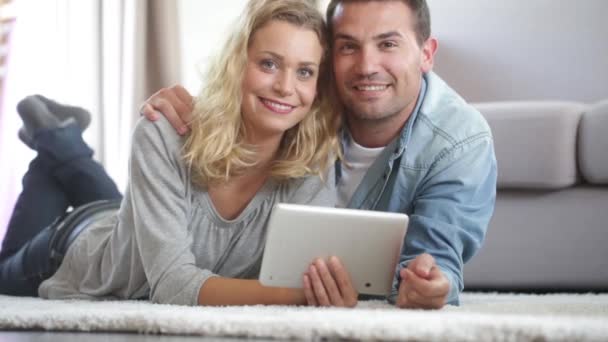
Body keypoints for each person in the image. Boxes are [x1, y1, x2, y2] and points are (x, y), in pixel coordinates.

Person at [0, 0, 363, 307]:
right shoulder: (166, 131)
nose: (285, 87)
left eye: (304, 71)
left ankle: (60, 142)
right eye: (268, 63)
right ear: (237, 65)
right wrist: (295, 295)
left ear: (319, 87)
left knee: (125, 219)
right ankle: (57, 143)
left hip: (136, 225)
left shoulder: (312, 169)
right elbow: (173, 286)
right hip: (70, 249)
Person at [142, 0, 498, 309]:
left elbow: (437, 263)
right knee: (99, 220)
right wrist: (190, 108)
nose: (366, 65)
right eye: (348, 46)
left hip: (203, 264)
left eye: (388, 43)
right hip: (126, 241)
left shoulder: (459, 142)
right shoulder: (301, 108)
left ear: (426, 54)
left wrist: (431, 285)